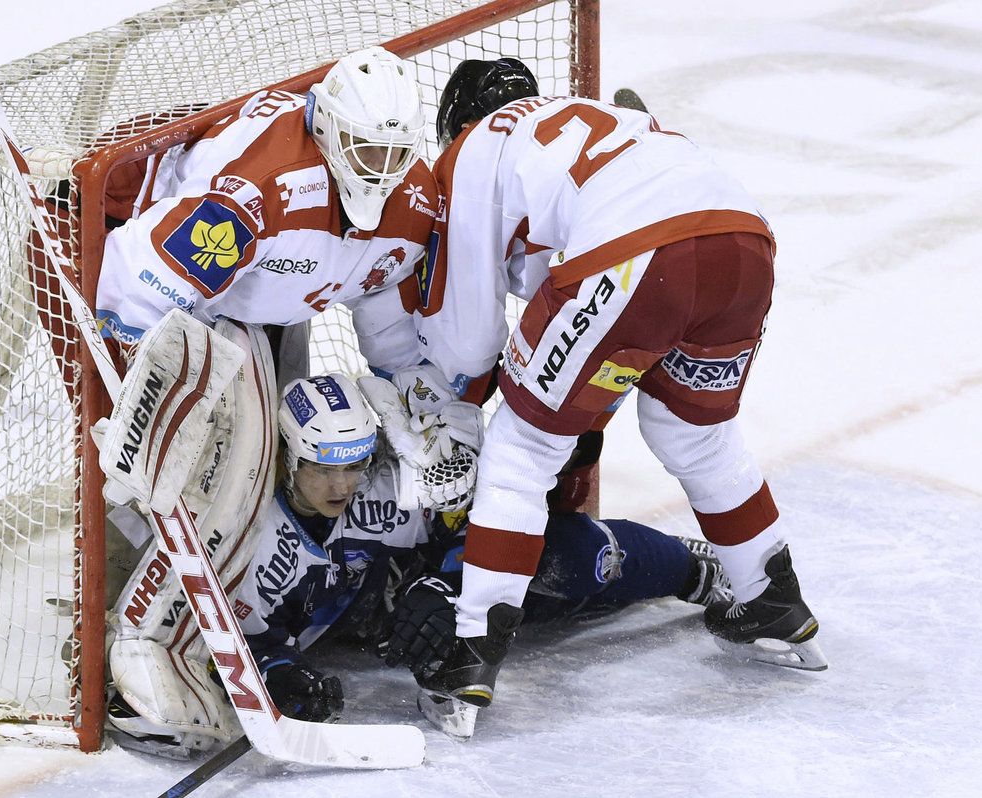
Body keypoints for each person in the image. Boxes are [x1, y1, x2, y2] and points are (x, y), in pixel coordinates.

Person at [412, 58, 826, 716]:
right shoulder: (608, 121)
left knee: (521, 447)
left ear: (455, 123)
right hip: (744, 240)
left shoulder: (468, 151)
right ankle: (771, 596)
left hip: (639, 253)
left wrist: (455, 389)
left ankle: (470, 652)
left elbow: (466, 338)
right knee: (697, 434)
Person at [105, 372, 731, 752]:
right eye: (324, 466)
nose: (343, 484)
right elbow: (242, 624)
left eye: (353, 464)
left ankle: (693, 568)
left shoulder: (385, 487)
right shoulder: (246, 527)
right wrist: (284, 674)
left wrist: (443, 584)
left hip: (410, 592)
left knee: (569, 557)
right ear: (287, 457)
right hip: (365, 625)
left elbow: (477, 522)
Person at [94, 45, 435, 377]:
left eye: (397, 152)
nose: (382, 168)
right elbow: (140, 287)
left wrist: (415, 388)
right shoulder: (257, 193)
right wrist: (149, 376)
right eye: (367, 148)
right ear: (324, 128)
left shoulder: (415, 201)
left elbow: (388, 314)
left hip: (245, 284)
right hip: (117, 214)